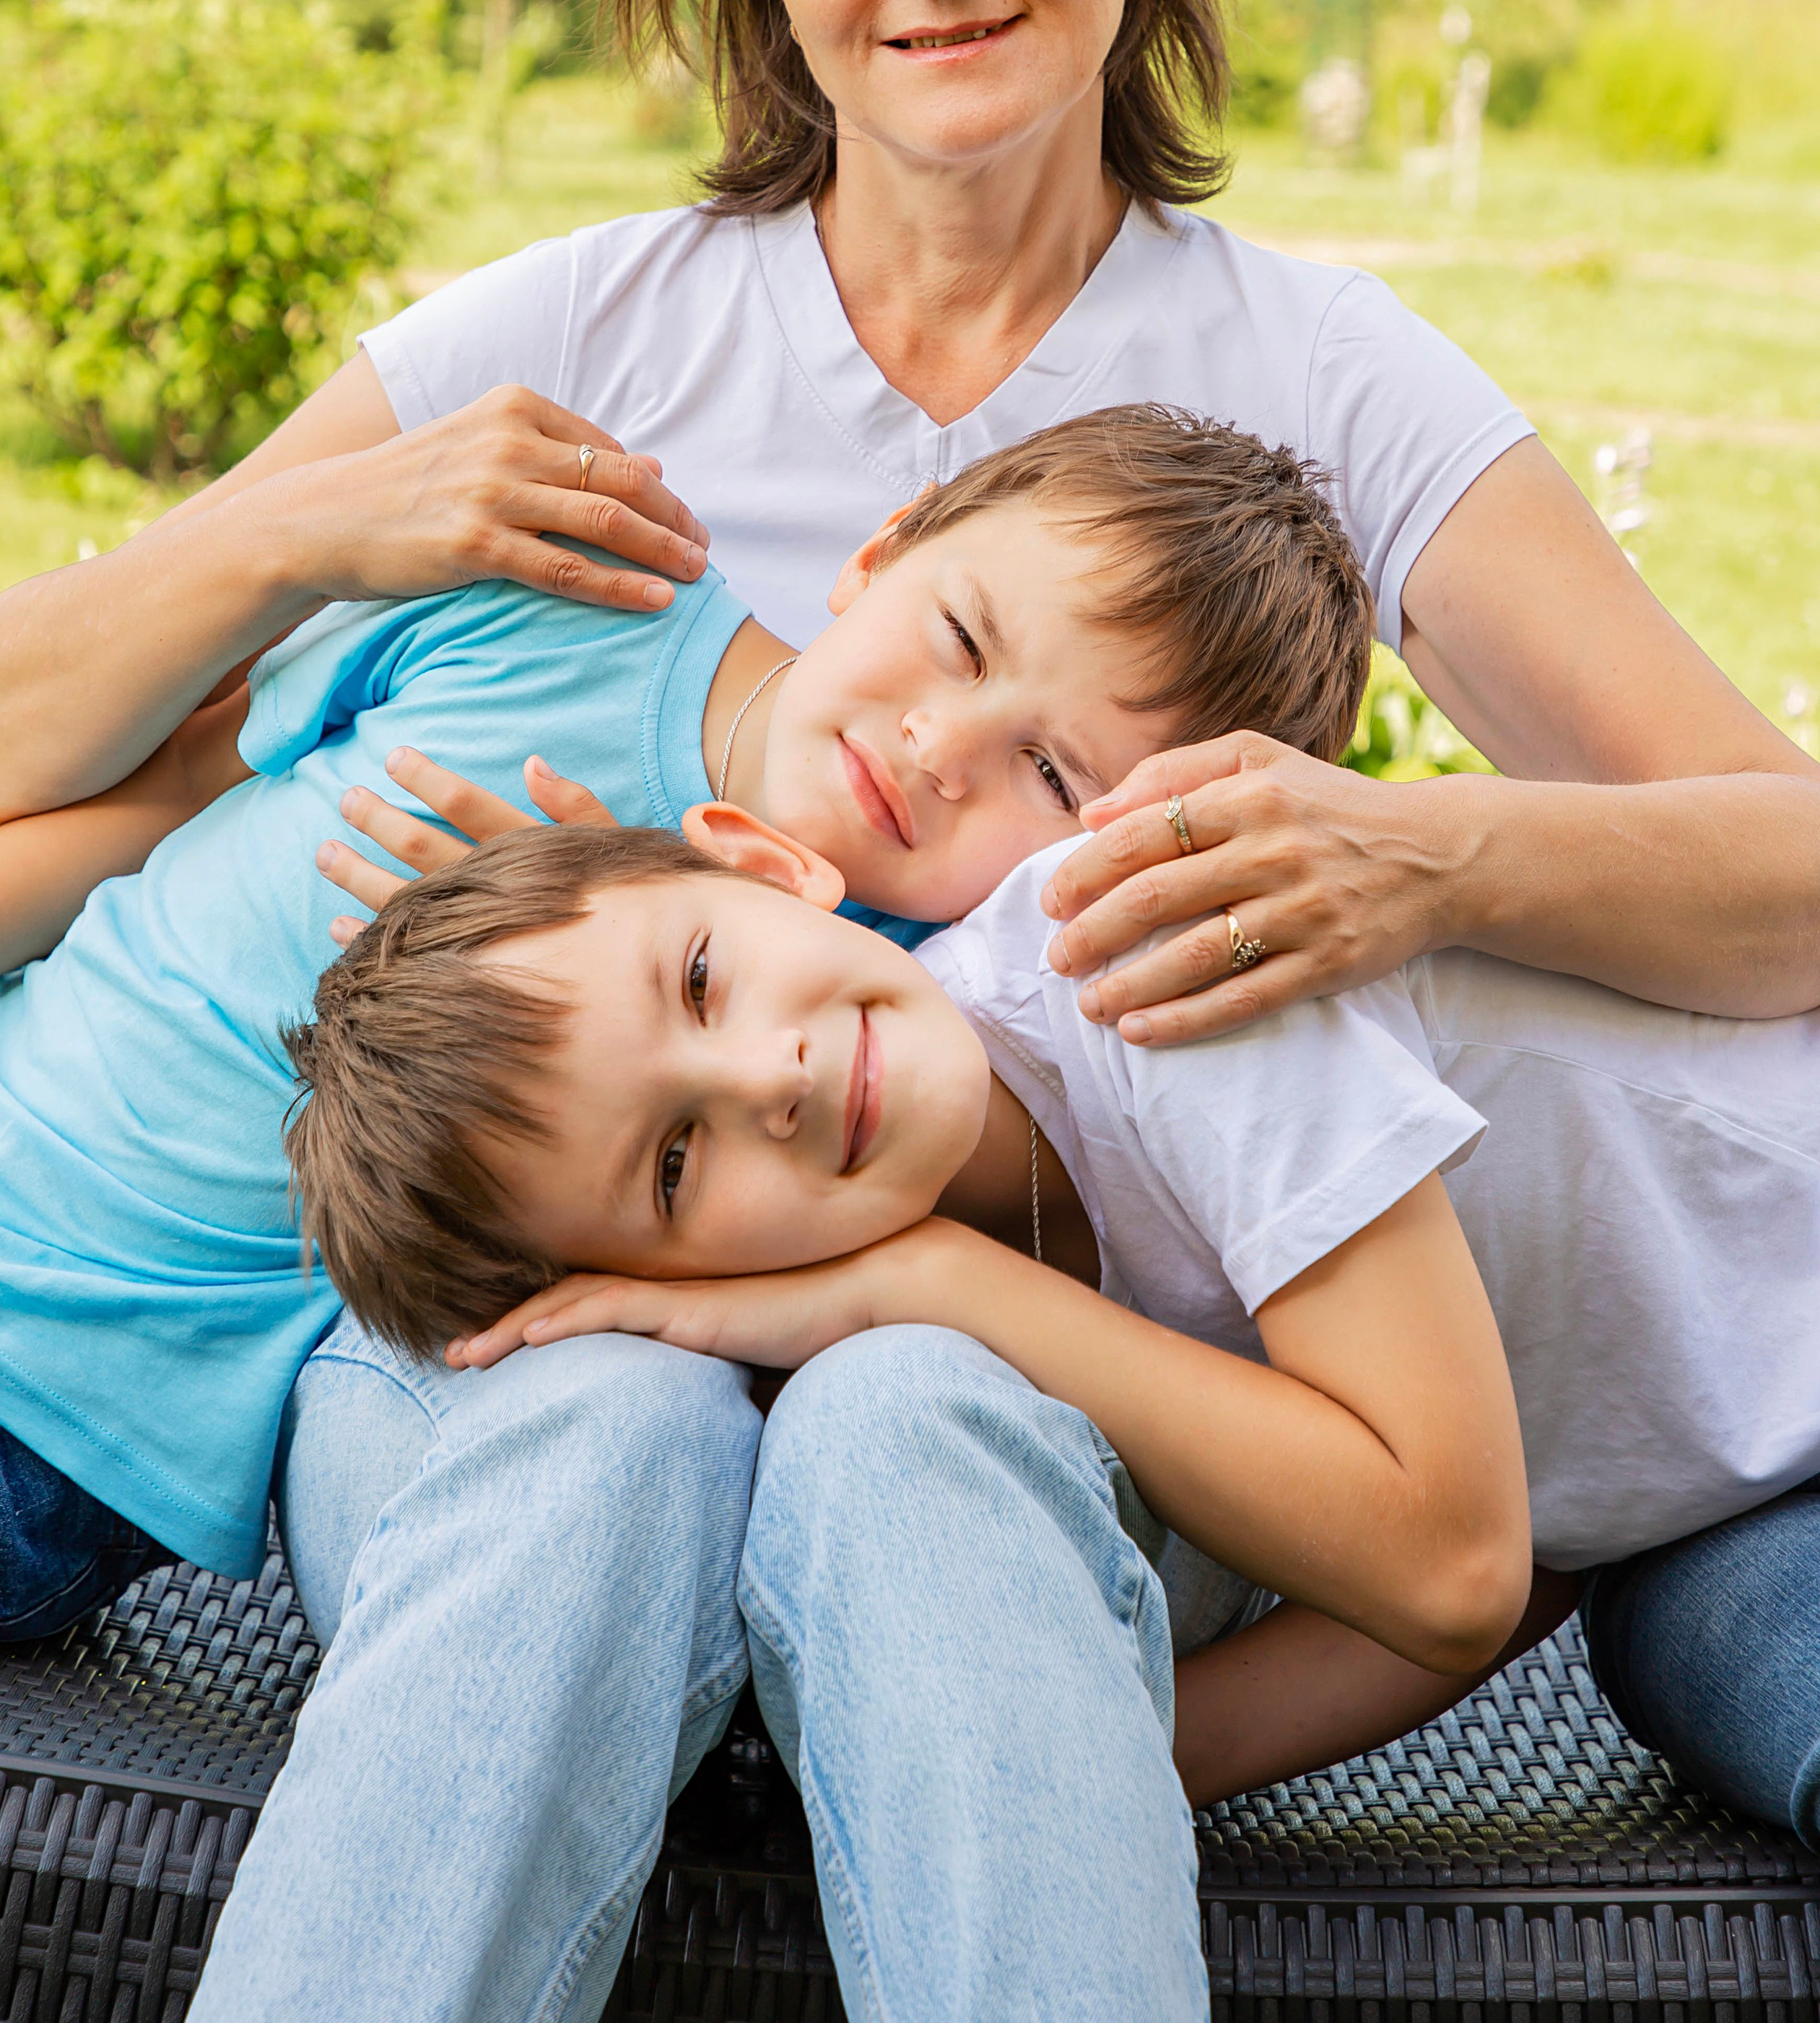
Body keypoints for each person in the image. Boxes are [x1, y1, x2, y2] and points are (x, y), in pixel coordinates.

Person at [0, 0, 1812, 2009]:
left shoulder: (1326, 385)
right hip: (536, 1283)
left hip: (1020, 1377)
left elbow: (1784, 877)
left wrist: (1419, 851)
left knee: (911, 1408)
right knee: (607, 1424)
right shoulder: (578, 337)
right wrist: (289, 545)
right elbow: (66, 750)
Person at [276, 797, 1820, 1905]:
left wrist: (934, 1283)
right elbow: (1514, 1562)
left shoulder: (1147, 964)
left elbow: (1451, 1565)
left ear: (761, 861)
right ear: (651, 1287)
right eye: (675, 1165)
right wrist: (1001, 1768)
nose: (770, 1078)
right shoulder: (932, 1355)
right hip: (1728, 1492)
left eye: (698, 979)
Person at [0, 404, 1363, 1608]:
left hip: (44, 1400)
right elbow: (145, 818)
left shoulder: (865, 1036)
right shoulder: (564, 601)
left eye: (1053, 778)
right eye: (960, 637)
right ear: (887, 547)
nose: (942, 747)